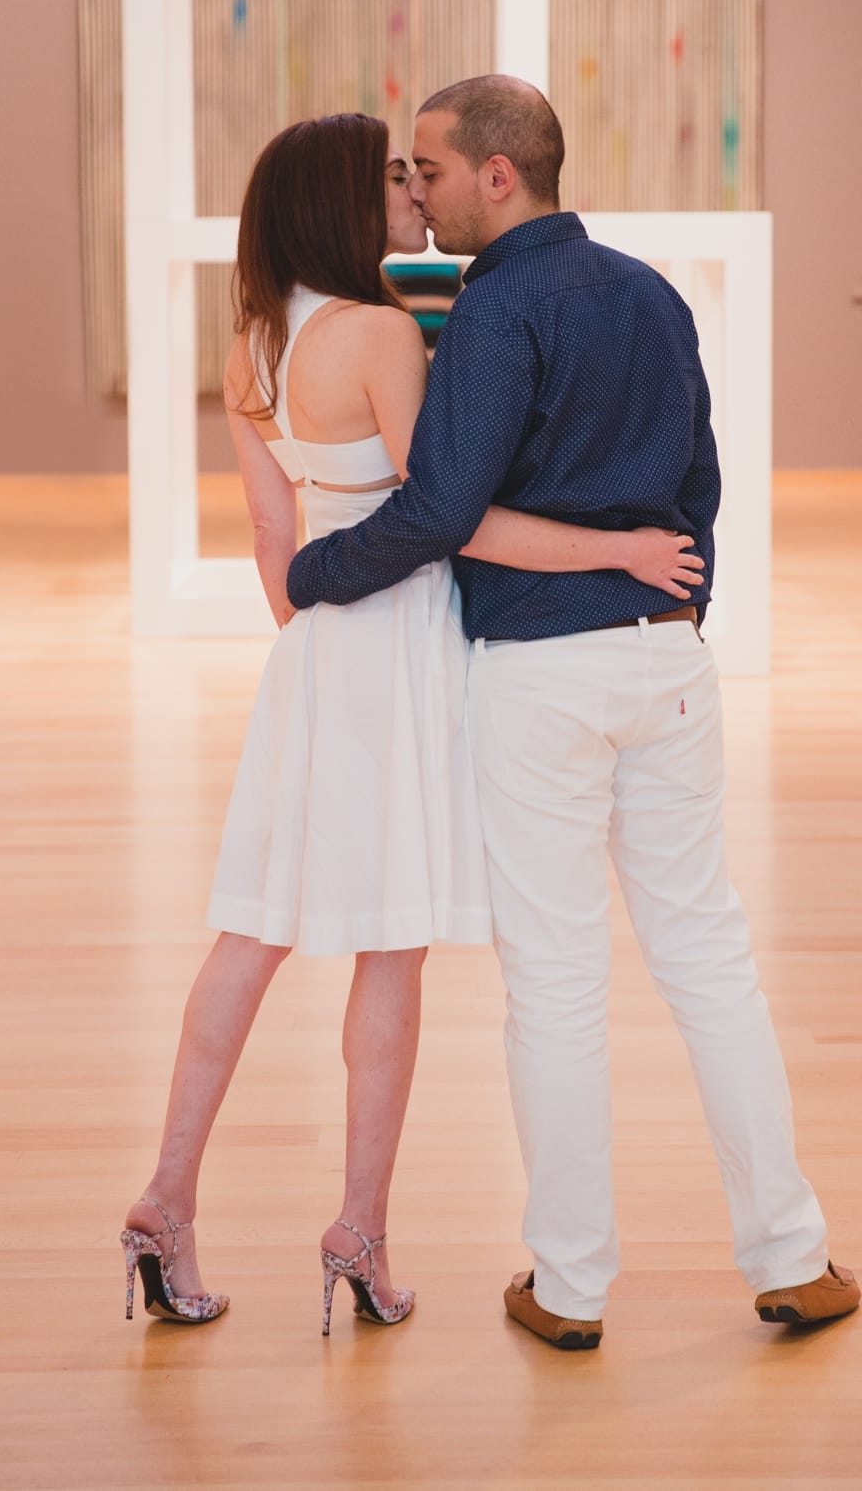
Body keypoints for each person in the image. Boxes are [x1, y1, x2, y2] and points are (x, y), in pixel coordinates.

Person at [286, 77, 861, 1348]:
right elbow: (698, 483)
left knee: (553, 985)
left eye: (429, 169)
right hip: (665, 665)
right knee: (710, 961)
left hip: (538, 682)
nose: (415, 190)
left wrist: (310, 575)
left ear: (500, 175)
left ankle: (569, 1287)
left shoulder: (494, 310)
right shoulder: (651, 293)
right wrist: (674, 607)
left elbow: (438, 509)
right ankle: (796, 1258)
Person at [121, 112, 704, 1338]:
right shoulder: (382, 331)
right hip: (397, 649)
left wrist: (319, 637)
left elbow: (277, 560)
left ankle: (167, 1200)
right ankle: (357, 1232)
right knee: (389, 951)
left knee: (250, 936)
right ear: (342, 200)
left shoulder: (251, 347)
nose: (411, 194)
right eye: (392, 176)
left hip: (313, 660)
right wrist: (617, 547)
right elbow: (452, 516)